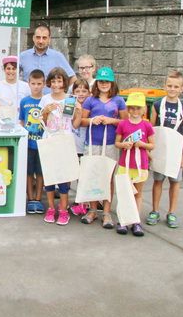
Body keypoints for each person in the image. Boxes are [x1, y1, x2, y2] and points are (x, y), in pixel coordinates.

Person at [79, 66, 127, 228]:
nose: (104, 84)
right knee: (93, 175)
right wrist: (93, 120)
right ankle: (93, 209)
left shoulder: (119, 101)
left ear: (112, 83)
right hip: (92, 143)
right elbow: (82, 121)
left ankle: (106, 212)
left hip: (111, 144)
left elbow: (125, 122)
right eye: (101, 81)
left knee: (108, 177)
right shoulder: (90, 100)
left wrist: (112, 121)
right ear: (97, 83)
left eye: (107, 81)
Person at [38, 68, 83, 226]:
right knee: (50, 178)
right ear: (49, 83)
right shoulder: (45, 99)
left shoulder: (70, 100)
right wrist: (45, 112)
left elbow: (75, 125)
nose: (56, 84)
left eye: (59, 81)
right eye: (53, 81)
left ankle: (63, 209)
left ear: (65, 83)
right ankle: (51, 208)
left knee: (64, 178)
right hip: (49, 140)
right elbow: (41, 123)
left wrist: (79, 112)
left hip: (65, 141)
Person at [147, 70, 183, 228]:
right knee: (158, 180)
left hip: (176, 151)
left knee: (175, 182)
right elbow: (151, 128)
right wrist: (149, 150)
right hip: (160, 149)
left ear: (181, 88)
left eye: (176, 86)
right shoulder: (157, 105)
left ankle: (172, 212)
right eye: (169, 85)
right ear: (165, 86)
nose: (172, 89)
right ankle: (155, 210)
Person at [115, 92, 155, 237]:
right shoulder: (123, 124)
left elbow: (152, 145)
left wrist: (142, 144)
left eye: (138, 108)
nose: (135, 111)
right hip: (125, 164)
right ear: (128, 109)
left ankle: (136, 221)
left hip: (141, 164)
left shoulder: (147, 125)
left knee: (137, 193)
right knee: (124, 193)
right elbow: (117, 142)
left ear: (144, 109)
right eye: (132, 108)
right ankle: (123, 220)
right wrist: (124, 145)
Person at [19, 69, 46, 214]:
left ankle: (38, 199)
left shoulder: (47, 101)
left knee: (40, 172)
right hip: (28, 144)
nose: (36, 86)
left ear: (44, 84)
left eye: (39, 83)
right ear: (28, 83)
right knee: (28, 172)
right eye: (33, 83)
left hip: (43, 144)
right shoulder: (24, 101)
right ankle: (30, 199)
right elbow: (22, 121)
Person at [68, 77, 91, 217]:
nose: (81, 94)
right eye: (78, 91)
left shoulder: (91, 105)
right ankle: (76, 201)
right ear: (73, 92)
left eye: (84, 91)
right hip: (72, 145)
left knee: (83, 177)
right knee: (72, 175)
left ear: (89, 92)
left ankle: (84, 203)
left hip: (86, 147)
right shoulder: (70, 104)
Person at [0, 56, 30, 122]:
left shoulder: (25, 86)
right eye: (8, 68)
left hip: (19, 121)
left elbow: (29, 105)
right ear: (4, 69)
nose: (11, 71)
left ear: (18, 70)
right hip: (1, 120)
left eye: (14, 69)